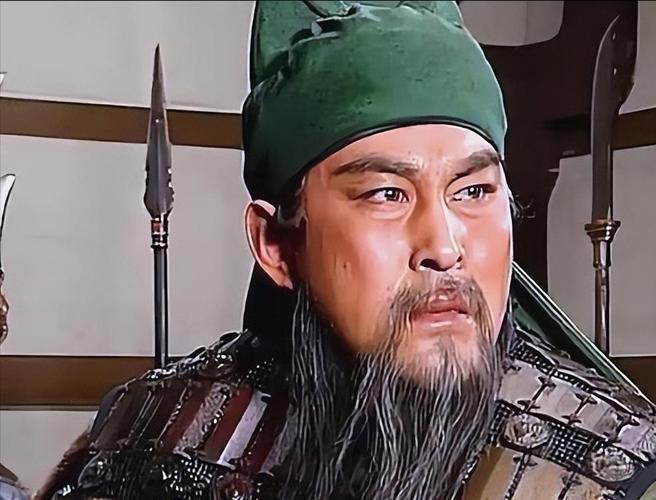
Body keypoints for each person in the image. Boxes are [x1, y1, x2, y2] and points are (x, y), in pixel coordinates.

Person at [37, 2, 656, 499]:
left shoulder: (617, 470)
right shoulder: (154, 445)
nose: (444, 247)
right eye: (386, 194)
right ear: (276, 244)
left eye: (473, 191)